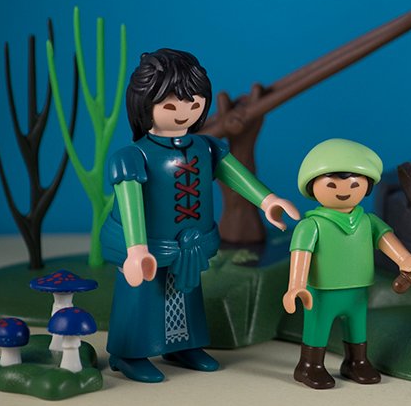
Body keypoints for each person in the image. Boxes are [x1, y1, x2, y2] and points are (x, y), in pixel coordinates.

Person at [103, 49, 300, 383]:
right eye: (171, 106)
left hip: (190, 244)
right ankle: (128, 353)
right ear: (144, 105)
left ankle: (183, 346)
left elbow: (233, 172)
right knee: (142, 297)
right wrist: (136, 249)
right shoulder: (133, 156)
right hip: (149, 244)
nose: (184, 113)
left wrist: (267, 200)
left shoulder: (205, 147)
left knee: (186, 294)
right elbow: (129, 201)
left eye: (194, 104)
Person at [283, 138, 411, 389]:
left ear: (366, 187)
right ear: (313, 187)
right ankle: (309, 366)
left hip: (358, 287)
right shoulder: (311, 225)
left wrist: (406, 261)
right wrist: (296, 285)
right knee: (318, 325)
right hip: (322, 291)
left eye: (355, 184)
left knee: (358, 325)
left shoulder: (367, 221)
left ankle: (356, 362)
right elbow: (301, 254)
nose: (344, 190)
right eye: (331, 184)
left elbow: (387, 241)